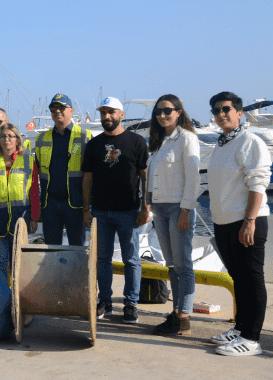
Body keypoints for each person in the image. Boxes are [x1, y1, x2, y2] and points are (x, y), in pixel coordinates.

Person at [206, 91, 271, 356]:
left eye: (226, 109)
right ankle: (241, 328)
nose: (221, 114)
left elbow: (258, 183)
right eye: (216, 110)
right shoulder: (221, 144)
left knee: (252, 279)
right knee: (238, 278)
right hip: (224, 222)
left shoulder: (249, 141)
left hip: (245, 221)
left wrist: (250, 220)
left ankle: (252, 339)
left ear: (239, 113)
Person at [83, 97, 149, 323]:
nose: (107, 116)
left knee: (131, 260)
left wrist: (145, 207)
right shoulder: (94, 144)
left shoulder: (136, 141)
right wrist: (86, 209)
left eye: (111, 112)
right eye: (103, 113)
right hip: (100, 212)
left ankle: (131, 303)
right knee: (102, 259)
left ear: (122, 114)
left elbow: (145, 176)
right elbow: (87, 178)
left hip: (129, 211)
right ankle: (105, 301)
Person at [145, 95, 201, 336]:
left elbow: (193, 177)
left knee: (183, 264)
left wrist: (186, 210)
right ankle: (177, 312)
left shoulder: (186, 138)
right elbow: (151, 178)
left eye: (167, 110)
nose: (162, 115)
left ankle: (183, 316)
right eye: (158, 111)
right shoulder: (158, 142)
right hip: (159, 208)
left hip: (178, 207)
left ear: (178, 112)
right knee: (171, 265)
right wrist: (147, 204)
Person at [0, 123, 39, 277]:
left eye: (10, 136)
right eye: (3, 136)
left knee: (19, 261)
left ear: (17, 139)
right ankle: (3, 291)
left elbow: (33, 191)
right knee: (1, 261)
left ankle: (17, 292)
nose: (6, 139)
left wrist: (34, 218)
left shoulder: (28, 161)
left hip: (21, 219)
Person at [34, 94, 92, 246]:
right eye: (53, 109)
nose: (57, 111)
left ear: (71, 111)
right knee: (51, 249)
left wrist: (88, 207)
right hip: (50, 204)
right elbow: (37, 172)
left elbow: (92, 173)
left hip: (75, 203)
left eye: (61, 107)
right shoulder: (41, 139)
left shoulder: (85, 136)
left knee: (76, 249)